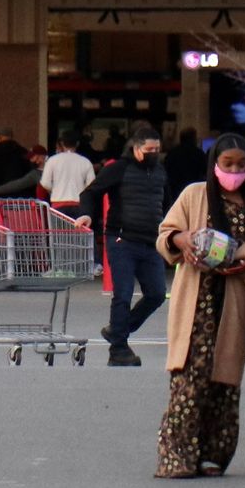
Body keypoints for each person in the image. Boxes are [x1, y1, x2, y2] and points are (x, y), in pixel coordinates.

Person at [153, 133, 245, 478]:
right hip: (195, 304)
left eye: (241, 165)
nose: (234, 171)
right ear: (214, 165)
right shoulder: (193, 195)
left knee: (223, 381)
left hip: (233, 303)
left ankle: (214, 454)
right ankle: (177, 458)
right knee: (189, 379)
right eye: (227, 165)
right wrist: (182, 239)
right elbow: (166, 234)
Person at [77, 123, 168, 367]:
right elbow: (90, 193)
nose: (154, 153)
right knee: (123, 294)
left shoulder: (160, 172)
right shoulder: (119, 169)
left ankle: (119, 329)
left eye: (157, 149)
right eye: (150, 149)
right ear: (136, 149)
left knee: (157, 294)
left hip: (151, 243)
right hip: (121, 240)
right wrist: (86, 214)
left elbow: (167, 204)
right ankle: (118, 349)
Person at [40, 134, 95, 217]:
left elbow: (45, 183)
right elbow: (91, 184)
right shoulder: (85, 162)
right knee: (77, 230)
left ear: (62, 143)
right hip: (79, 204)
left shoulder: (52, 160)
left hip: (58, 203)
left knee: (58, 230)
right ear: (77, 144)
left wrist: (55, 189)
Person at [162, 127, 207, 210]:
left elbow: (165, 172)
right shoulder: (199, 154)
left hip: (175, 193)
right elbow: (205, 173)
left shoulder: (172, 153)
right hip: (194, 193)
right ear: (193, 138)